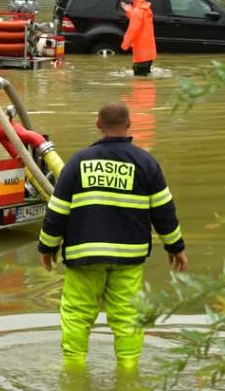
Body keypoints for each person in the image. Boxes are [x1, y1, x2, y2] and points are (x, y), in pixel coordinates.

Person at [38, 102, 187, 370]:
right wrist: (175, 247)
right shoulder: (146, 163)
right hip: (128, 257)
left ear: (98, 124)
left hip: (84, 256)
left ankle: (74, 372)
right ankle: (128, 372)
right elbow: (164, 211)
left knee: (76, 315)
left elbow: (57, 211)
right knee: (128, 317)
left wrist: (47, 247)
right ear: (129, 124)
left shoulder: (78, 162)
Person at [120, 0, 157, 76]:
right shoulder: (146, 8)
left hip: (141, 52)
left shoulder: (137, 11)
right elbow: (138, 19)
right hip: (149, 53)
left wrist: (125, 44)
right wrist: (129, 11)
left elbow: (133, 29)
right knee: (146, 77)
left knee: (139, 79)